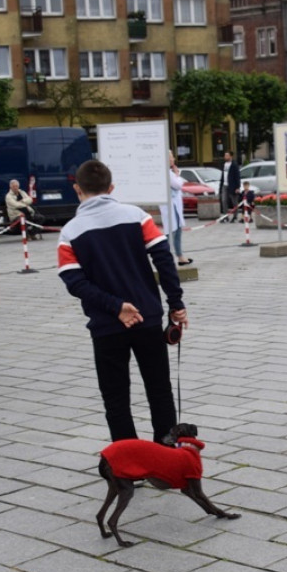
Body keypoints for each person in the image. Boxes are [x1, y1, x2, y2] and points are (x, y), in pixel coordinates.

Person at [57, 159, 188, 443]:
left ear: (77, 189)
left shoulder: (69, 232)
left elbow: (74, 282)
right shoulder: (137, 216)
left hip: (106, 324)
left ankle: (128, 461)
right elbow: (164, 259)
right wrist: (176, 304)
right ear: (111, 188)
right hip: (147, 316)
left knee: (115, 398)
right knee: (159, 389)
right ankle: (166, 454)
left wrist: (115, 307)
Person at [166, 151, 192, 266]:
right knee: (171, 233)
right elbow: (178, 185)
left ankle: (180, 256)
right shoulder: (167, 173)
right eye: (171, 157)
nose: (173, 159)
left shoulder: (170, 173)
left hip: (175, 207)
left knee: (177, 231)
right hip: (171, 207)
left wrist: (176, 176)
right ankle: (168, 257)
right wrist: (177, 175)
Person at [219, 151, 240, 215]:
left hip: (232, 186)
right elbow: (223, 175)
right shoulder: (224, 164)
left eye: (227, 155)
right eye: (225, 155)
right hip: (224, 185)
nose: (225, 157)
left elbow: (237, 176)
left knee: (234, 201)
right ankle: (225, 215)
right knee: (224, 200)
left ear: (231, 156)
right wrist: (221, 185)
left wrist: (237, 187)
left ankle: (235, 215)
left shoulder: (234, 165)